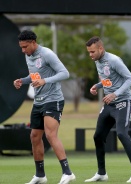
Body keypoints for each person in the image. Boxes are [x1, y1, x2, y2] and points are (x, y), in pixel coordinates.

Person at [14, 30, 76, 184]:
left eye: (25, 46)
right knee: (34, 137)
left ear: (33, 42)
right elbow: (35, 76)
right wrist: (23, 80)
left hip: (53, 100)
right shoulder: (28, 56)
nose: (23, 50)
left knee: (50, 135)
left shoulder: (47, 54)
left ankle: (68, 172)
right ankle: (40, 175)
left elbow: (64, 73)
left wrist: (45, 81)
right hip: (38, 101)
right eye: (21, 47)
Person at [84, 36, 131, 183]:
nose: (90, 55)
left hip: (124, 102)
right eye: (89, 52)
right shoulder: (98, 61)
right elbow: (108, 79)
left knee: (122, 133)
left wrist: (115, 94)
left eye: (92, 52)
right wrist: (97, 86)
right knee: (98, 136)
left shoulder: (114, 60)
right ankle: (101, 173)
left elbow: (130, 79)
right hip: (109, 105)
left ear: (100, 49)